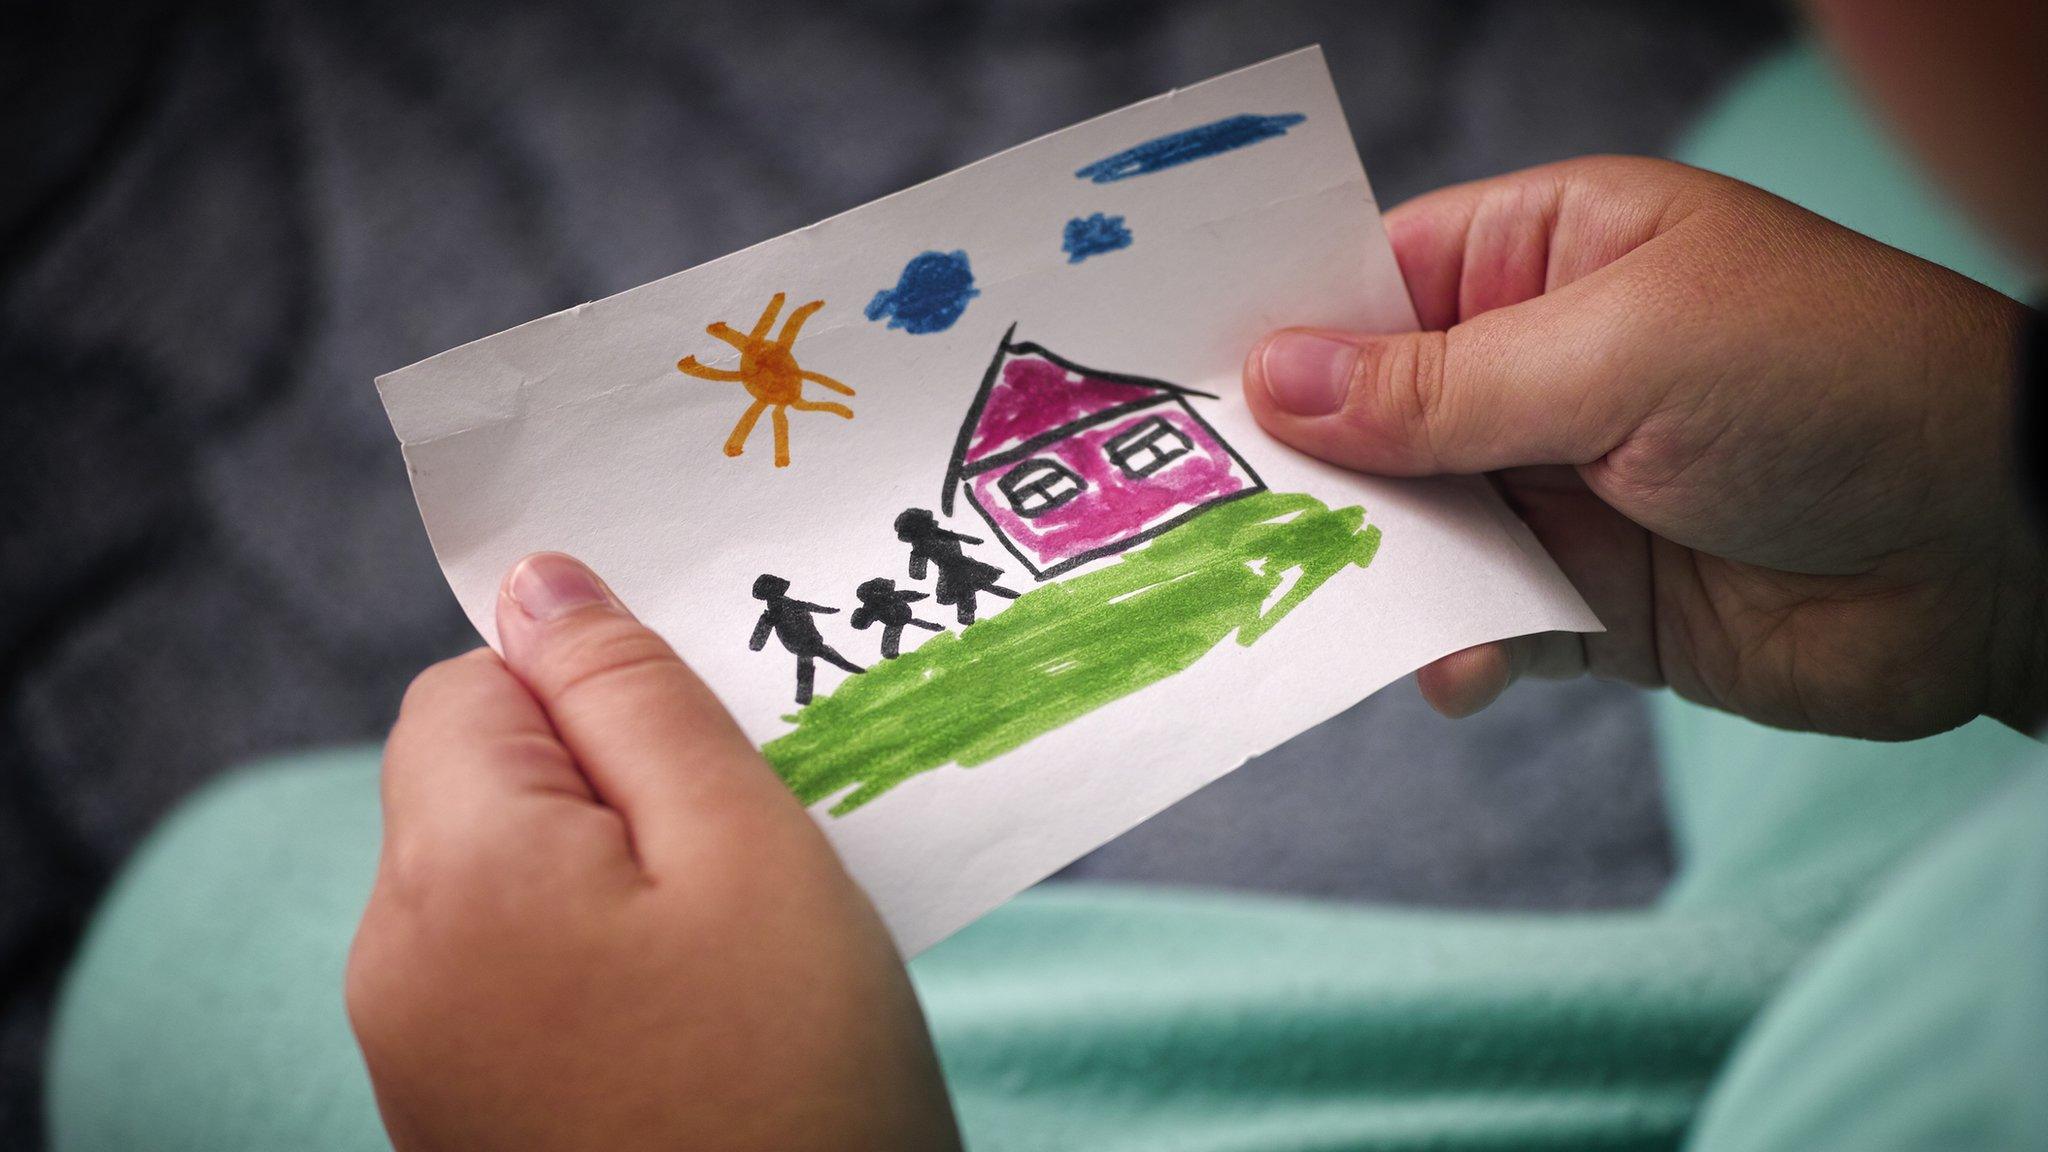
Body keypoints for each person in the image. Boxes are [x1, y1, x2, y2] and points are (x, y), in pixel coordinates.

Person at [344, 6, 2045, 1151]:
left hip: (1924, 1014)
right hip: (1967, 843)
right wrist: (2007, 526)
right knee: (1799, 126)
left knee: (223, 913)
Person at [746, 573, 863, 705]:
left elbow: (758, 640)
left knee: (811, 665)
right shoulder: (780, 609)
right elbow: (810, 607)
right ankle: (857, 671)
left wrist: (756, 643)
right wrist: (828, 610)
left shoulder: (775, 611)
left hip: (802, 644)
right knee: (831, 659)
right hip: (807, 641)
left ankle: (803, 698)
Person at [893, 507, 1020, 624]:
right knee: (981, 587)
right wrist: (973, 541)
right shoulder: (939, 534)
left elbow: (918, 574)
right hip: (964, 564)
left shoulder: (920, 546)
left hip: (951, 572)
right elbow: (963, 538)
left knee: (968, 595)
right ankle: (1016, 597)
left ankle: (969, 623)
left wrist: (917, 559)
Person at [849, 576, 946, 659]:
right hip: (897, 615)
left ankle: (890, 654)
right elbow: (903, 596)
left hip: (898, 613)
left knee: (903, 623)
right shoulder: (873, 604)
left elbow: (903, 595)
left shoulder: (877, 599)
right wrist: (919, 596)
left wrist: (919, 595)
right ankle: (890, 654)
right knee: (904, 623)